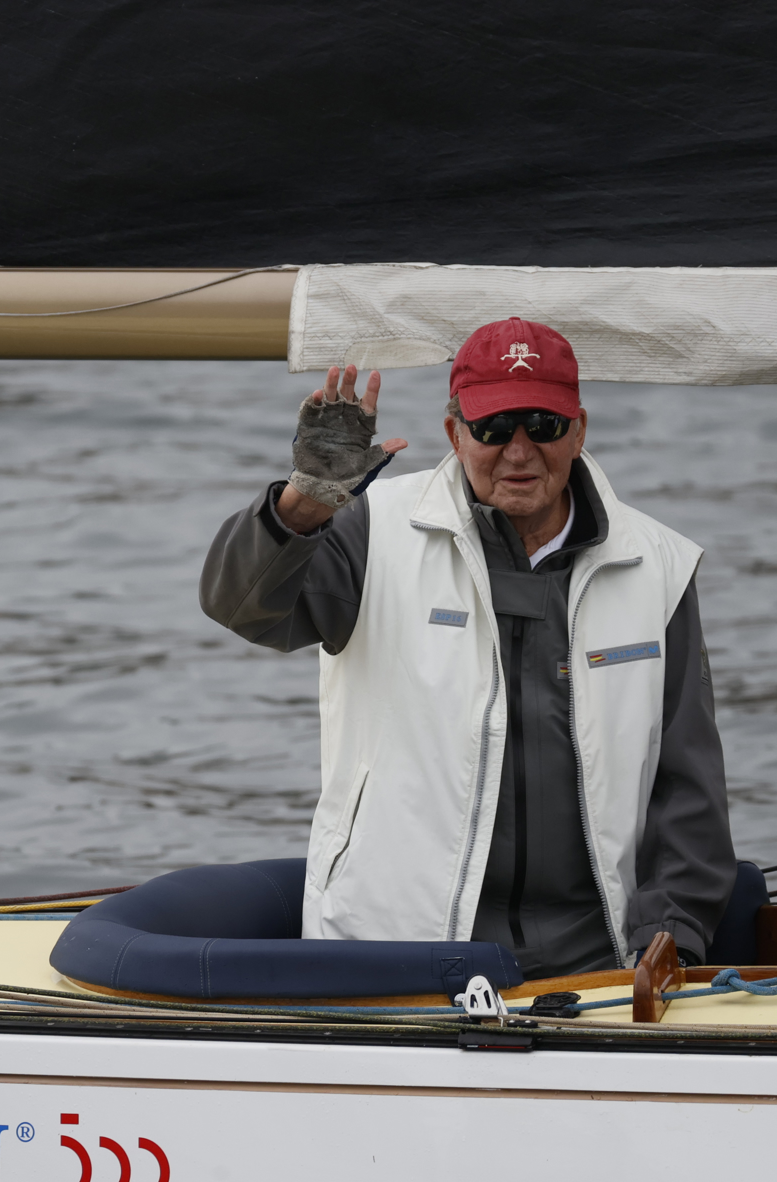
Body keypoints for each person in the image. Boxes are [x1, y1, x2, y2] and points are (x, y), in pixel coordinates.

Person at [199, 317, 735, 978]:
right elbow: (241, 608)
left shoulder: (661, 568)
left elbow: (688, 789)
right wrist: (305, 503)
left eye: (542, 425)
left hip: (598, 961)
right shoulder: (370, 529)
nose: (519, 451)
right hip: (394, 954)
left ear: (578, 431)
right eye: (493, 428)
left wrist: (670, 944)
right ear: (454, 434)